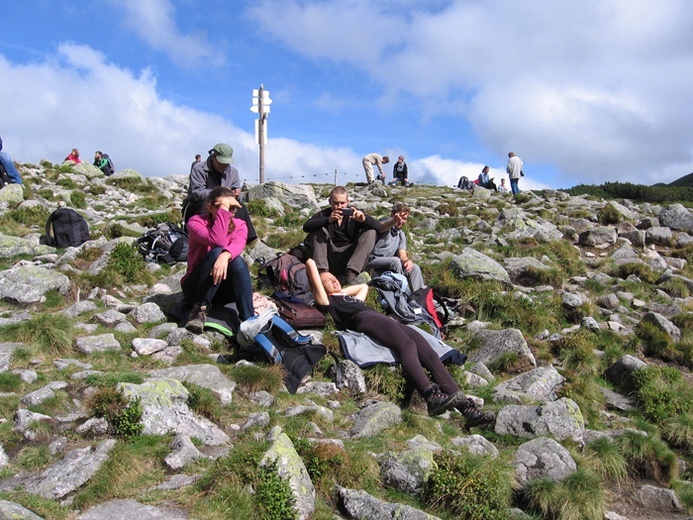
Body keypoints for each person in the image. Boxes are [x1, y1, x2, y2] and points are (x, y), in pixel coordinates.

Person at [306, 257, 495, 423]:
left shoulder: (346, 298)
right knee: (407, 345)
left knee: (428, 352)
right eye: (327, 281)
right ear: (319, 289)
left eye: (333, 277)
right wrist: (322, 276)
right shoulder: (328, 302)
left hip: (384, 320)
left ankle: (468, 410)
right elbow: (310, 265)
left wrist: (339, 290)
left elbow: (363, 286)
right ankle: (430, 394)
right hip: (365, 320)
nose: (332, 280)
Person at [181, 186, 254, 333]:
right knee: (216, 252)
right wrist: (224, 211)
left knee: (237, 261)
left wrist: (225, 256)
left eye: (233, 208)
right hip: (196, 287)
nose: (230, 212)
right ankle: (198, 312)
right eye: (222, 207)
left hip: (223, 289)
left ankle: (249, 320)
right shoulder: (195, 222)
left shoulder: (240, 225)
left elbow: (237, 246)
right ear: (209, 207)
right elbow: (217, 240)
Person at [303, 186, 398, 285]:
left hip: (350, 258)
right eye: (336, 203)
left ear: (347, 202)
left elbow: (379, 227)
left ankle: (352, 273)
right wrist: (328, 220)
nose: (339, 206)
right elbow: (306, 226)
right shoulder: (324, 215)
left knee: (370, 232)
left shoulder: (355, 214)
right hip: (329, 256)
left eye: (342, 203)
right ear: (330, 201)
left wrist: (364, 220)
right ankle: (322, 272)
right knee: (318, 230)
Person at [181, 143, 257, 244]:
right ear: (213, 157)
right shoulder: (199, 169)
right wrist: (220, 193)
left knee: (240, 207)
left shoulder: (233, 172)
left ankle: (241, 240)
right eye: (221, 163)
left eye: (226, 163)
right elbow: (197, 193)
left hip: (225, 203)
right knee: (205, 204)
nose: (224, 166)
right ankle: (207, 237)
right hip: (197, 203)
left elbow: (237, 197)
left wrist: (236, 195)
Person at [370, 203, 425, 292]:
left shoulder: (401, 234)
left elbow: (402, 255)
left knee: (415, 268)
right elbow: (383, 227)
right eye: (399, 217)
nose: (401, 221)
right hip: (374, 260)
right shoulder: (384, 224)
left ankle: (420, 297)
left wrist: (407, 261)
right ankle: (402, 293)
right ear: (392, 214)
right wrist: (394, 220)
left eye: (404, 219)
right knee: (395, 261)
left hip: (390, 263)